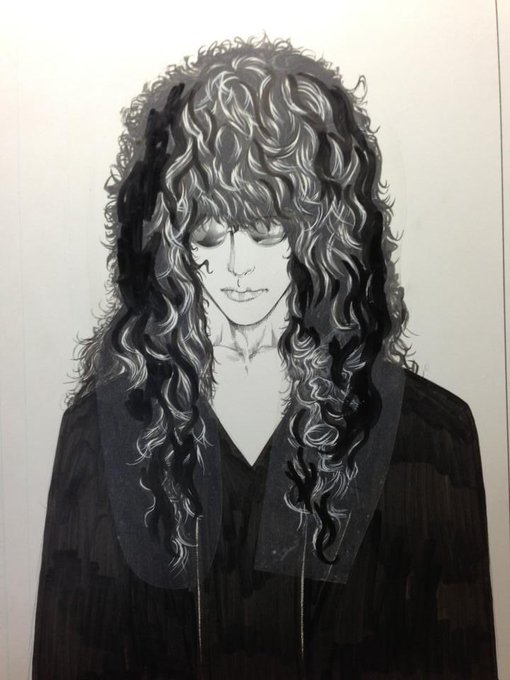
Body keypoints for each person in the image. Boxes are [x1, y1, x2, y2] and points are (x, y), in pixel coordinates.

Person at [33, 37, 498, 679]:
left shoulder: (430, 435)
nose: (236, 267)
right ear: (170, 239)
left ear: (319, 228)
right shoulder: (100, 432)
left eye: (263, 231)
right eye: (208, 234)